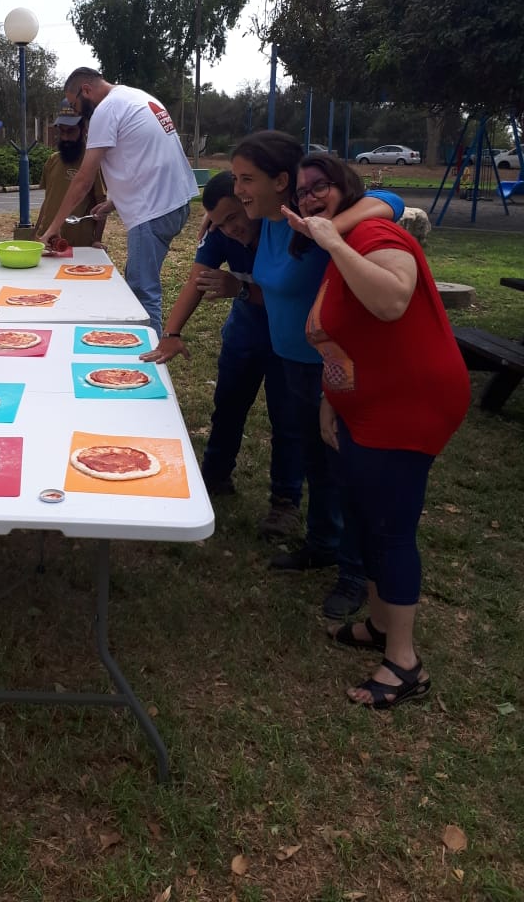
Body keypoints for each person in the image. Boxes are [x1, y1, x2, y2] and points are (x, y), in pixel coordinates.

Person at [287, 154, 470, 707]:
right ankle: (379, 624)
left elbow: (392, 299)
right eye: (302, 192)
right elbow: (343, 334)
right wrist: (331, 401)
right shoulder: (336, 246)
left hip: (409, 402)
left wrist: (334, 243)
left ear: (347, 188)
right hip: (361, 406)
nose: (310, 197)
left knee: (390, 526)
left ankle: (405, 663)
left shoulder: (373, 232)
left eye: (321, 187)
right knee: (364, 515)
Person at [230, 132, 405, 619]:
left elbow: (391, 200)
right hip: (291, 363)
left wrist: (324, 231)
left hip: (334, 369)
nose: (239, 188)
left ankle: (354, 571)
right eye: (236, 179)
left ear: (280, 181)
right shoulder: (267, 222)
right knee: (316, 463)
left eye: (248, 179)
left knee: (349, 472)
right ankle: (323, 543)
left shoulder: (321, 224)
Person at [141, 168, 303, 539]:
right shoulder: (219, 232)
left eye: (233, 216)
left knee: (288, 420)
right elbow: (197, 278)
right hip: (244, 334)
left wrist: (241, 288)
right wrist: (171, 333)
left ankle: (285, 502)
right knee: (228, 405)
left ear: (252, 202)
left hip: (288, 339)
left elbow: (289, 295)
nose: (230, 228)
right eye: (219, 221)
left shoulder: (283, 227)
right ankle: (213, 477)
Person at [37, 67, 197, 337]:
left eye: (76, 104)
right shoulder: (137, 97)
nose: (78, 110)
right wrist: (113, 202)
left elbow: (83, 179)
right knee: (139, 281)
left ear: (86, 90)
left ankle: (151, 357)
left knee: (142, 291)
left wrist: (54, 227)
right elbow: (145, 156)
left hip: (152, 211)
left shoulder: (106, 109)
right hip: (176, 202)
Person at [34, 100, 108, 248]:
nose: (65, 137)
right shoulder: (52, 160)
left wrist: (97, 240)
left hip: (79, 246)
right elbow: (48, 201)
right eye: (62, 131)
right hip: (48, 243)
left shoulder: (93, 163)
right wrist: (36, 232)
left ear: (84, 129)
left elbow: (102, 206)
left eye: (71, 131)